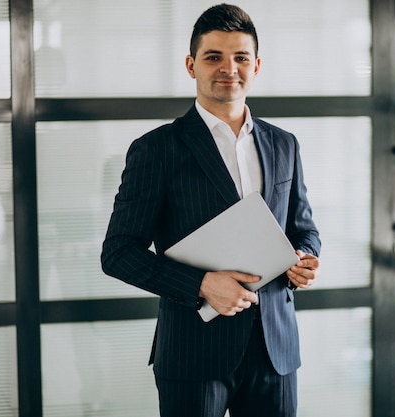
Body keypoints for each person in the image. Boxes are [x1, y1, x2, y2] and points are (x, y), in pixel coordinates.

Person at [101, 4, 320, 417]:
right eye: (213, 57)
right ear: (191, 65)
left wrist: (306, 258)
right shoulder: (156, 149)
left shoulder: (284, 144)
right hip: (193, 352)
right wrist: (200, 284)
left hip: (275, 349)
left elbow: (303, 227)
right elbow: (117, 254)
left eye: (240, 57)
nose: (228, 68)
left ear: (256, 65)